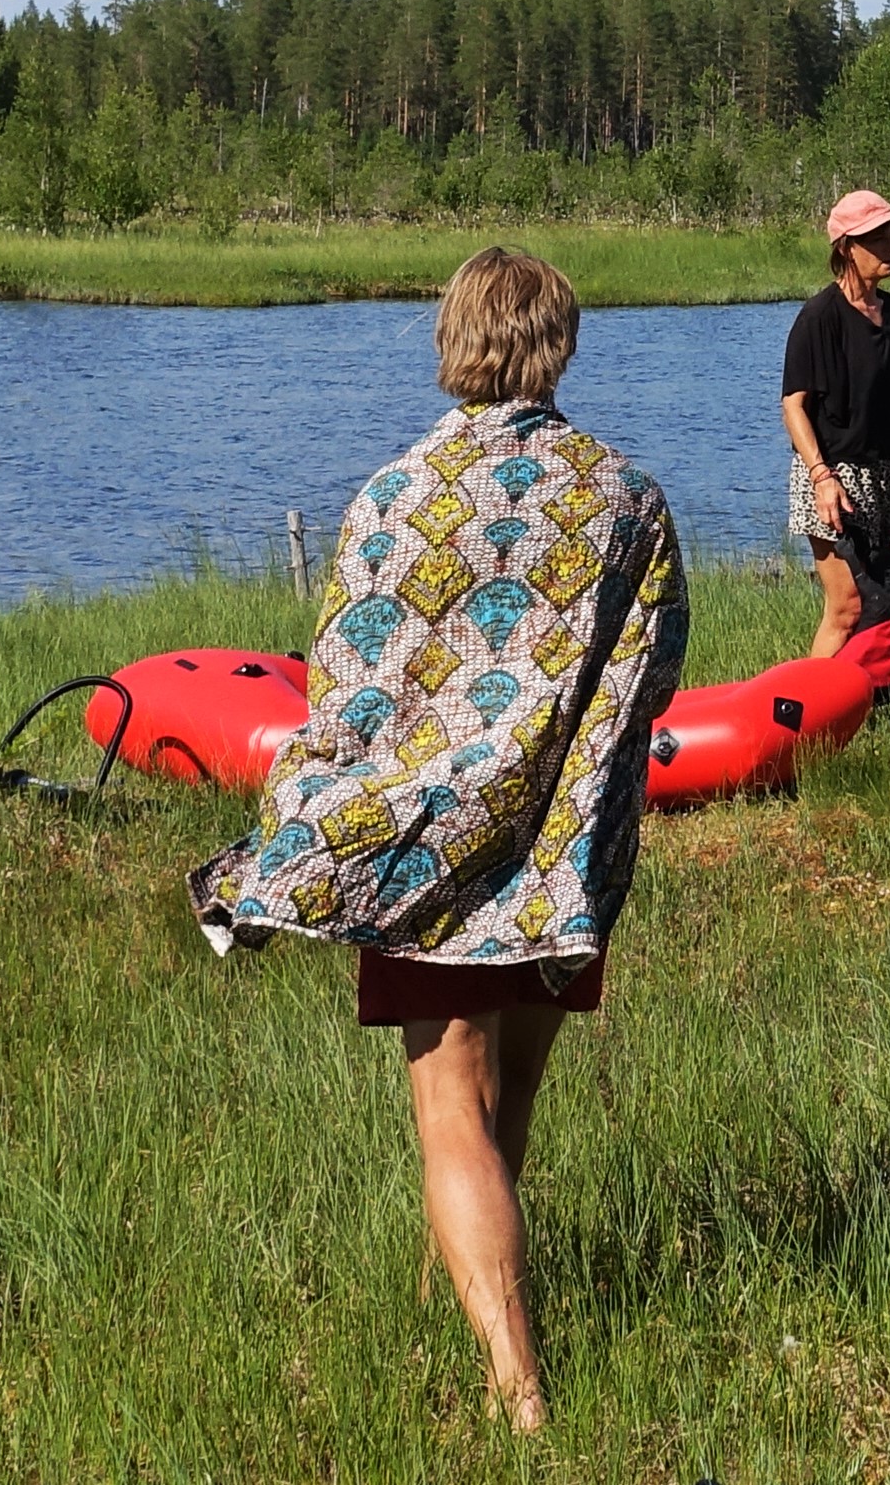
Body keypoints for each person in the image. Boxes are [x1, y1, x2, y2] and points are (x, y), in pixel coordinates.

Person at [191, 245, 689, 1430]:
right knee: (506, 1100)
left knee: (447, 1110)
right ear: (558, 342)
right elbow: (651, 674)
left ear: (453, 341)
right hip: (554, 854)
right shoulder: (623, 497)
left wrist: (331, 816)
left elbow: (348, 686)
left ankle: (519, 1397)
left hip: (422, 850)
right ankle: (470, 1305)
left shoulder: (392, 496)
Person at [782, 187, 890, 687]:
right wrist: (822, 476)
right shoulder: (818, 318)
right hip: (832, 479)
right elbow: (794, 407)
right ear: (847, 248)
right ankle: (802, 719)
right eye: (877, 237)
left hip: (888, 476)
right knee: (847, 605)